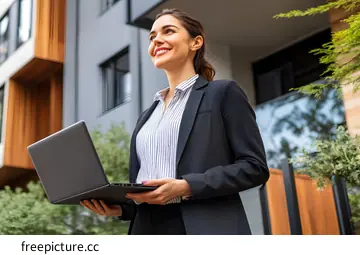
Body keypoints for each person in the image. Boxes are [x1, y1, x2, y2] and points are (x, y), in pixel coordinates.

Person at [80, 8, 269, 235]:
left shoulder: (222, 93)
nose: (157, 40)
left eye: (168, 31)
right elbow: (144, 188)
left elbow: (254, 167)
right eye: (152, 37)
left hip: (203, 227)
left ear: (195, 42)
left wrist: (186, 186)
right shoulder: (147, 116)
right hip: (146, 229)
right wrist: (119, 207)